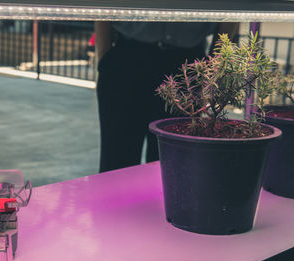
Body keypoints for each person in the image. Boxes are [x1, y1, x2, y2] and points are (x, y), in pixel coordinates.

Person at [95, 22, 239, 172]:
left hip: (186, 64)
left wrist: (213, 71)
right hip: (127, 59)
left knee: (175, 167)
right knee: (117, 162)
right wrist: (105, 55)